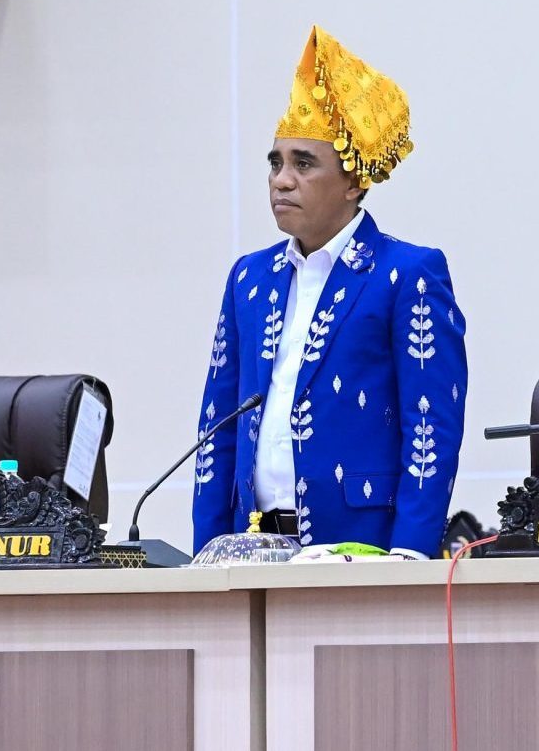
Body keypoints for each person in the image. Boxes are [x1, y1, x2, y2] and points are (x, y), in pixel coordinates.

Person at [192, 27, 467, 557]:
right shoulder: (249, 279)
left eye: (303, 163)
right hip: (250, 548)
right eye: (275, 162)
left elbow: (431, 424)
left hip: (362, 552)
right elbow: (216, 428)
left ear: (355, 181)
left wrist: (409, 554)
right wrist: (208, 551)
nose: (281, 180)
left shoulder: (407, 273)